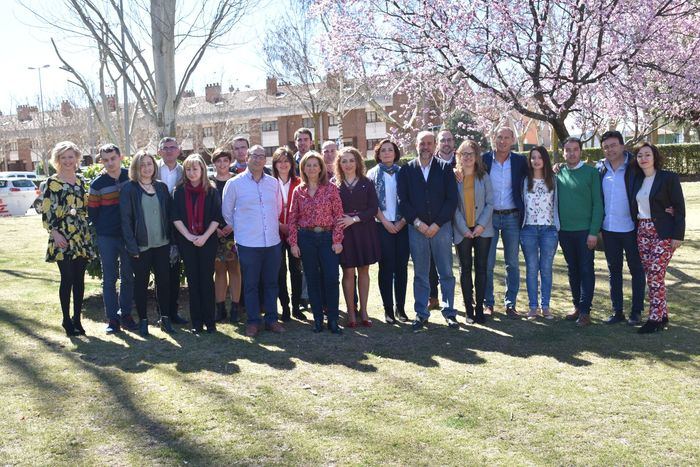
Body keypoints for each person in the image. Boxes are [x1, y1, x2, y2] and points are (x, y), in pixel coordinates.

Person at [222, 145, 285, 337]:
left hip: (272, 242)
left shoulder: (273, 183)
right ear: (246, 157)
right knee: (250, 284)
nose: (258, 159)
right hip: (248, 243)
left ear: (265, 160)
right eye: (254, 156)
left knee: (271, 283)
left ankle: (272, 320)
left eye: (261, 156)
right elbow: (227, 213)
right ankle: (252, 321)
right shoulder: (234, 184)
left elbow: (279, 209)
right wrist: (244, 229)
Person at [397, 130, 458, 331]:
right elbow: (402, 201)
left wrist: (437, 224)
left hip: (441, 228)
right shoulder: (407, 170)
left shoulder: (445, 168)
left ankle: (450, 313)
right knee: (421, 274)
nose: (426, 147)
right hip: (417, 229)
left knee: (446, 272)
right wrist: (418, 224)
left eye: (429, 143)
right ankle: (421, 313)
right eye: (422, 143)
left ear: (435, 146)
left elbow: (451, 200)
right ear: (416, 145)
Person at [42, 141, 96, 336]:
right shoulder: (52, 182)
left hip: (80, 234)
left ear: (77, 158)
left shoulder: (81, 181)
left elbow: (87, 207)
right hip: (62, 235)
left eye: (70, 156)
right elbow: (45, 211)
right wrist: (54, 233)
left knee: (80, 280)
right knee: (67, 278)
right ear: (57, 160)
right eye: (63, 157)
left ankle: (77, 319)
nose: (67, 160)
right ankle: (66, 319)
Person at [630, 143, 685, 333]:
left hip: (663, 231)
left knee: (654, 274)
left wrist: (678, 235)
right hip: (642, 231)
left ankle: (654, 319)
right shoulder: (637, 179)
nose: (643, 158)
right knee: (655, 276)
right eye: (639, 156)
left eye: (647, 154)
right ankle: (663, 315)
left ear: (654, 157)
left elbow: (679, 207)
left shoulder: (668, 178)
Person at [288, 152, 345, 334]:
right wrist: (294, 243)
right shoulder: (299, 191)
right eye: (308, 165)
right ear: (303, 168)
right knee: (312, 279)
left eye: (315, 165)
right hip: (306, 238)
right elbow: (292, 218)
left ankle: (333, 320)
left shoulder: (331, 189)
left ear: (321, 168)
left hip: (328, 238)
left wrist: (337, 240)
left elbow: (338, 216)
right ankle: (318, 320)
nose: (311, 168)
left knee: (331, 278)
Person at [120, 151, 174, 336]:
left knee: (164, 282)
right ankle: (143, 321)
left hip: (162, 243)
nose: (146, 168)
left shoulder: (161, 188)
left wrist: (172, 242)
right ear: (136, 167)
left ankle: (165, 319)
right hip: (141, 246)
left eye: (149, 164)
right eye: (142, 165)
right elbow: (125, 221)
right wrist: (132, 246)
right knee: (141, 284)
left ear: (154, 166)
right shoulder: (129, 189)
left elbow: (169, 216)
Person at [597, 130, 645, 325]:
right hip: (609, 229)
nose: (610, 149)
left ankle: (636, 311)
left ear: (622, 145)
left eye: (613, 145)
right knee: (614, 270)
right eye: (606, 147)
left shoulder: (635, 166)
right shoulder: (600, 168)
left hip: (632, 228)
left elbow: (654, 184)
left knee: (636, 270)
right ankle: (617, 311)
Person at [88, 143, 137, 334]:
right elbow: (93, 212)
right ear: (101, 161)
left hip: (128, 236)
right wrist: (103, 229)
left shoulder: (131, 177)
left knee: (127, 277)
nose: (110, 163)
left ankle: (126, 315)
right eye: (105, 160)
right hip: (106, 236)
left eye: (113, 158)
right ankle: (113, 319)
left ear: (120, 157)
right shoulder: (97, 184)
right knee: (109, 278)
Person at [172, 155, 222, 334]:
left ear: (202, 170)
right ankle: (197, 323)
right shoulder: (179, 191)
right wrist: (189, 236)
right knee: (193, 282)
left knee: (207, 281)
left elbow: (217, 217)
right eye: (188, 169)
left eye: (195, 169)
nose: (192, 173)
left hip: (207, 241)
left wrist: (204, 237)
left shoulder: (212, 191)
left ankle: (210, 322)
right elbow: (175, 217)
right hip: (187, 242)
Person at [482, 126, 528, 318]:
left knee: (512, 264)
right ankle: (488, 303)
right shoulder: (484, 159)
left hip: (512, 217)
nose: (502, 141)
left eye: (506, 138)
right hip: (489, 217)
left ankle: (511, 304)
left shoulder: (520, 161)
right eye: (499, 137)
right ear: (494, 138)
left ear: (512, 140)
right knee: (488, 263)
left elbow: (538, 172)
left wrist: (555, 168)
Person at [557, 137, 604, 327]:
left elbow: (598, 205)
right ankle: (577, 305)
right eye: (567, 150)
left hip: (585, 231)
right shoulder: (558, 172)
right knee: (572, 270)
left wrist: (594, 232)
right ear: (563, 152)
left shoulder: (591, 173)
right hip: (564, 231)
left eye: (575, 149)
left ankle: (585, 311)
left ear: (581, 151)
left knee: (586, 269)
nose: (571, 153)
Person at [334, 146, 381, 327]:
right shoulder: (334, 184)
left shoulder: (366, 182)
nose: (348, 164)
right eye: (344, 161)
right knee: (347, 272)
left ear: (357, 162)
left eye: (351, 160)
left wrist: (354, 218)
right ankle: (351, 313)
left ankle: (364, 311)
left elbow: (373, 208)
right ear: (339, 163)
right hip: (345, 234)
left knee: (363, 270)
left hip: (364, 231)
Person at [367, 139, 409, 324]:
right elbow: (371, 203)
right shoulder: (372, 174)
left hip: (402, 225)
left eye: (390, 150)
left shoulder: (404, 173)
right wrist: (385, 222)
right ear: (378, 154)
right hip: (382, 225)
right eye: (383, 150)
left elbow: (410, 200)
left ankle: (401, 308)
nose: (386, 153)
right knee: (386, 268)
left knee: (401, 268)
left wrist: (401, 222)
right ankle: (388, 310)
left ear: (395, 152)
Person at [452, 140, 493, 325]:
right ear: (459, 156)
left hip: (482, 230)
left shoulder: (483, 176)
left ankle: (479, 310)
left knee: (482, 268)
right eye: (464, 154)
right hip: (462, 231)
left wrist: (480, 226)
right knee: (465, 269)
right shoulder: (454, 178)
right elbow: (452, 206)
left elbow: (490, 203)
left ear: (477, 156)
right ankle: (469, 308)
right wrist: (464, 228)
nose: (467, 157)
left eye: (471, 153)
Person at [520, 146, 559, 320]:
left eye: (539, 157)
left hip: (548, 230)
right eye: (533, 157)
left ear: (545, 159)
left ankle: (546, 306)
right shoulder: (524, 180)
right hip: (528, 229)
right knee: (531, 268)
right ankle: (533, 307)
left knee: (546, 269)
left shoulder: (554, 179)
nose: (536, 161)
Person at [156, 137, 188, 326]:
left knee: (174, 270)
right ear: (159, 151)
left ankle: (173, 312)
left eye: (172, 147)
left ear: (179, 150)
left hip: (179, 227)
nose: (169, 151)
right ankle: (162, 312)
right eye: (165, 148)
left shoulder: (185, 171)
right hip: (155, 225)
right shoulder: (151, 168)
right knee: (160, 272)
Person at [272, 146, 305, 322]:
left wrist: (291, 227)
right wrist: (279, 224)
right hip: (275, 232)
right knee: (279, 271)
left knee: (296, 270)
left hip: (295, 233)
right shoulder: (269, 182)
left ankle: (296, 306)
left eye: (286, 161)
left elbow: (304, 210)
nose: (283, 164)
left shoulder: (299, 182)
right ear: (275, 164)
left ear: (292, 163)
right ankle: (284, 307)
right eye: (280, 161)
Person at [210, 149, 242, 323]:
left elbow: (243, 205)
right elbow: (206, 209)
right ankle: (220, 308)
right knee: (220, 271)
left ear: (230, 161)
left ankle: (235, 308)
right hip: (215, 233)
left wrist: (233, 225)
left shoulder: (237, 180)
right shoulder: (209, 182)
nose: (222, 164)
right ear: (214, 163)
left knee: (235, 270)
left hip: (235, 233)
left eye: (225, 160)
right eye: (218, 161)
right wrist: (215, 228)